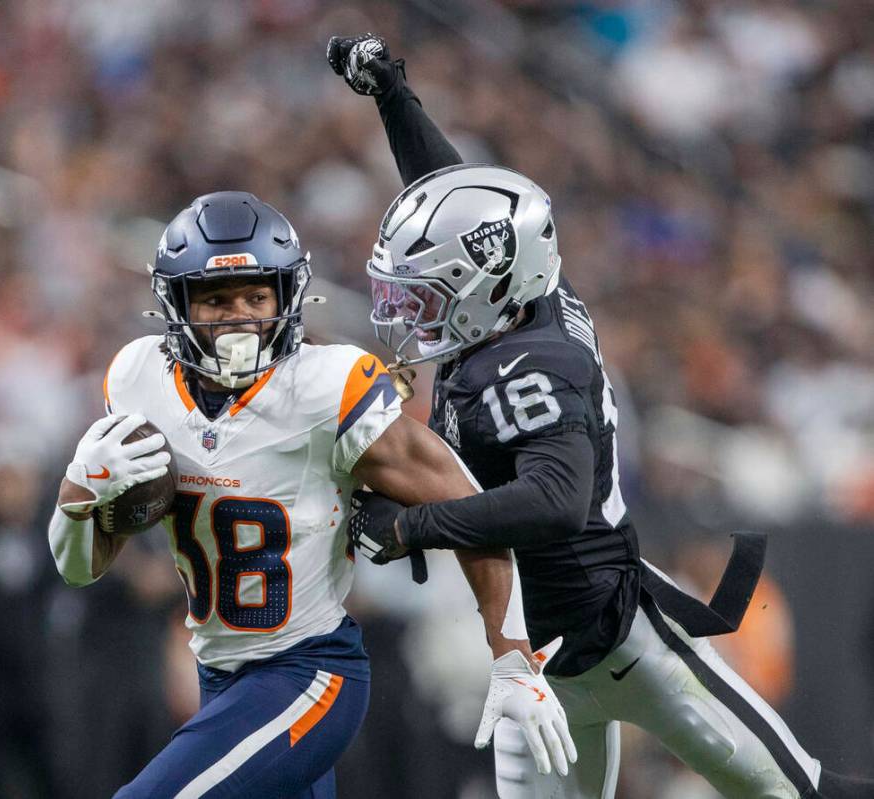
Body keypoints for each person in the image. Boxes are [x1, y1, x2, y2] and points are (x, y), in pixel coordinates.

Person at [327, 34, 874, 799]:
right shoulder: (523, 296)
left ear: (485, 287)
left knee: (797, 791)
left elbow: (554, 501)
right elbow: (454, 187)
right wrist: (394, 95)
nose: (411, 312)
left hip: (627, 644)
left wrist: (411, 526)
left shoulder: (530, 366)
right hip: (533, 661)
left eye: (427, 292)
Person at [46, 191, 576, 798]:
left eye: (256, 295)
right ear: (178, 304)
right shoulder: (139, 380)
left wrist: (511, 656)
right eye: (216, 299)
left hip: (309, 674)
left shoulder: (325, 388)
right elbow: (78, 566)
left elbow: (469, 505)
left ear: (288, 296)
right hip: (219, 676)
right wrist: (80, 490)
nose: (240, 316)